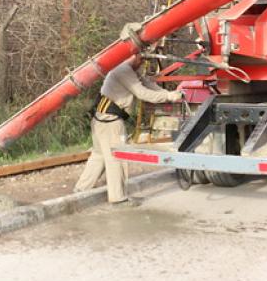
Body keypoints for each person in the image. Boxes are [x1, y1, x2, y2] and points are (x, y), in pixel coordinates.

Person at [74, 53, 184, 204]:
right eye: (142, 58)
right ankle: (118, 199)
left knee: (99, 156)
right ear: (134, 56)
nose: (143, 62)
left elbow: (147, 84)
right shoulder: (123, 70)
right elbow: (142, 93)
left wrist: (169, 94)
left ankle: (80, 191)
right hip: (110, 121)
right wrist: (169, 97)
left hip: (101, 119)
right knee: (116, 159)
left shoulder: (128, 69)